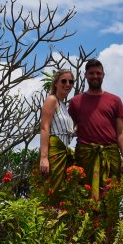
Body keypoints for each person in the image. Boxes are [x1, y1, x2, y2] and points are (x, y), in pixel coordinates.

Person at [68, 59, 123, 200]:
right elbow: (69, 128)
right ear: (85, 75)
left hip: (110, 154)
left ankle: (110, 223)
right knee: (84, 195)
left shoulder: (115, 100)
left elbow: (121, 132)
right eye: (91, 73)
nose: (95, 76)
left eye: (98, 73)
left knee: (111, 196)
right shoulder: (75, 102)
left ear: (103, 75)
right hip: (85, 154)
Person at [38, 68, 77, 196]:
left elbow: (66, 130)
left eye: (71, 82)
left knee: (61, 191)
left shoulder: (64, 105)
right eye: (63, 81)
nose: (67, 85)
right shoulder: (52, 100)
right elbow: (44, 127)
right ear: (56, 83)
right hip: (53, 150)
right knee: (51, 190)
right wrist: (44, 158)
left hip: (64, 151)